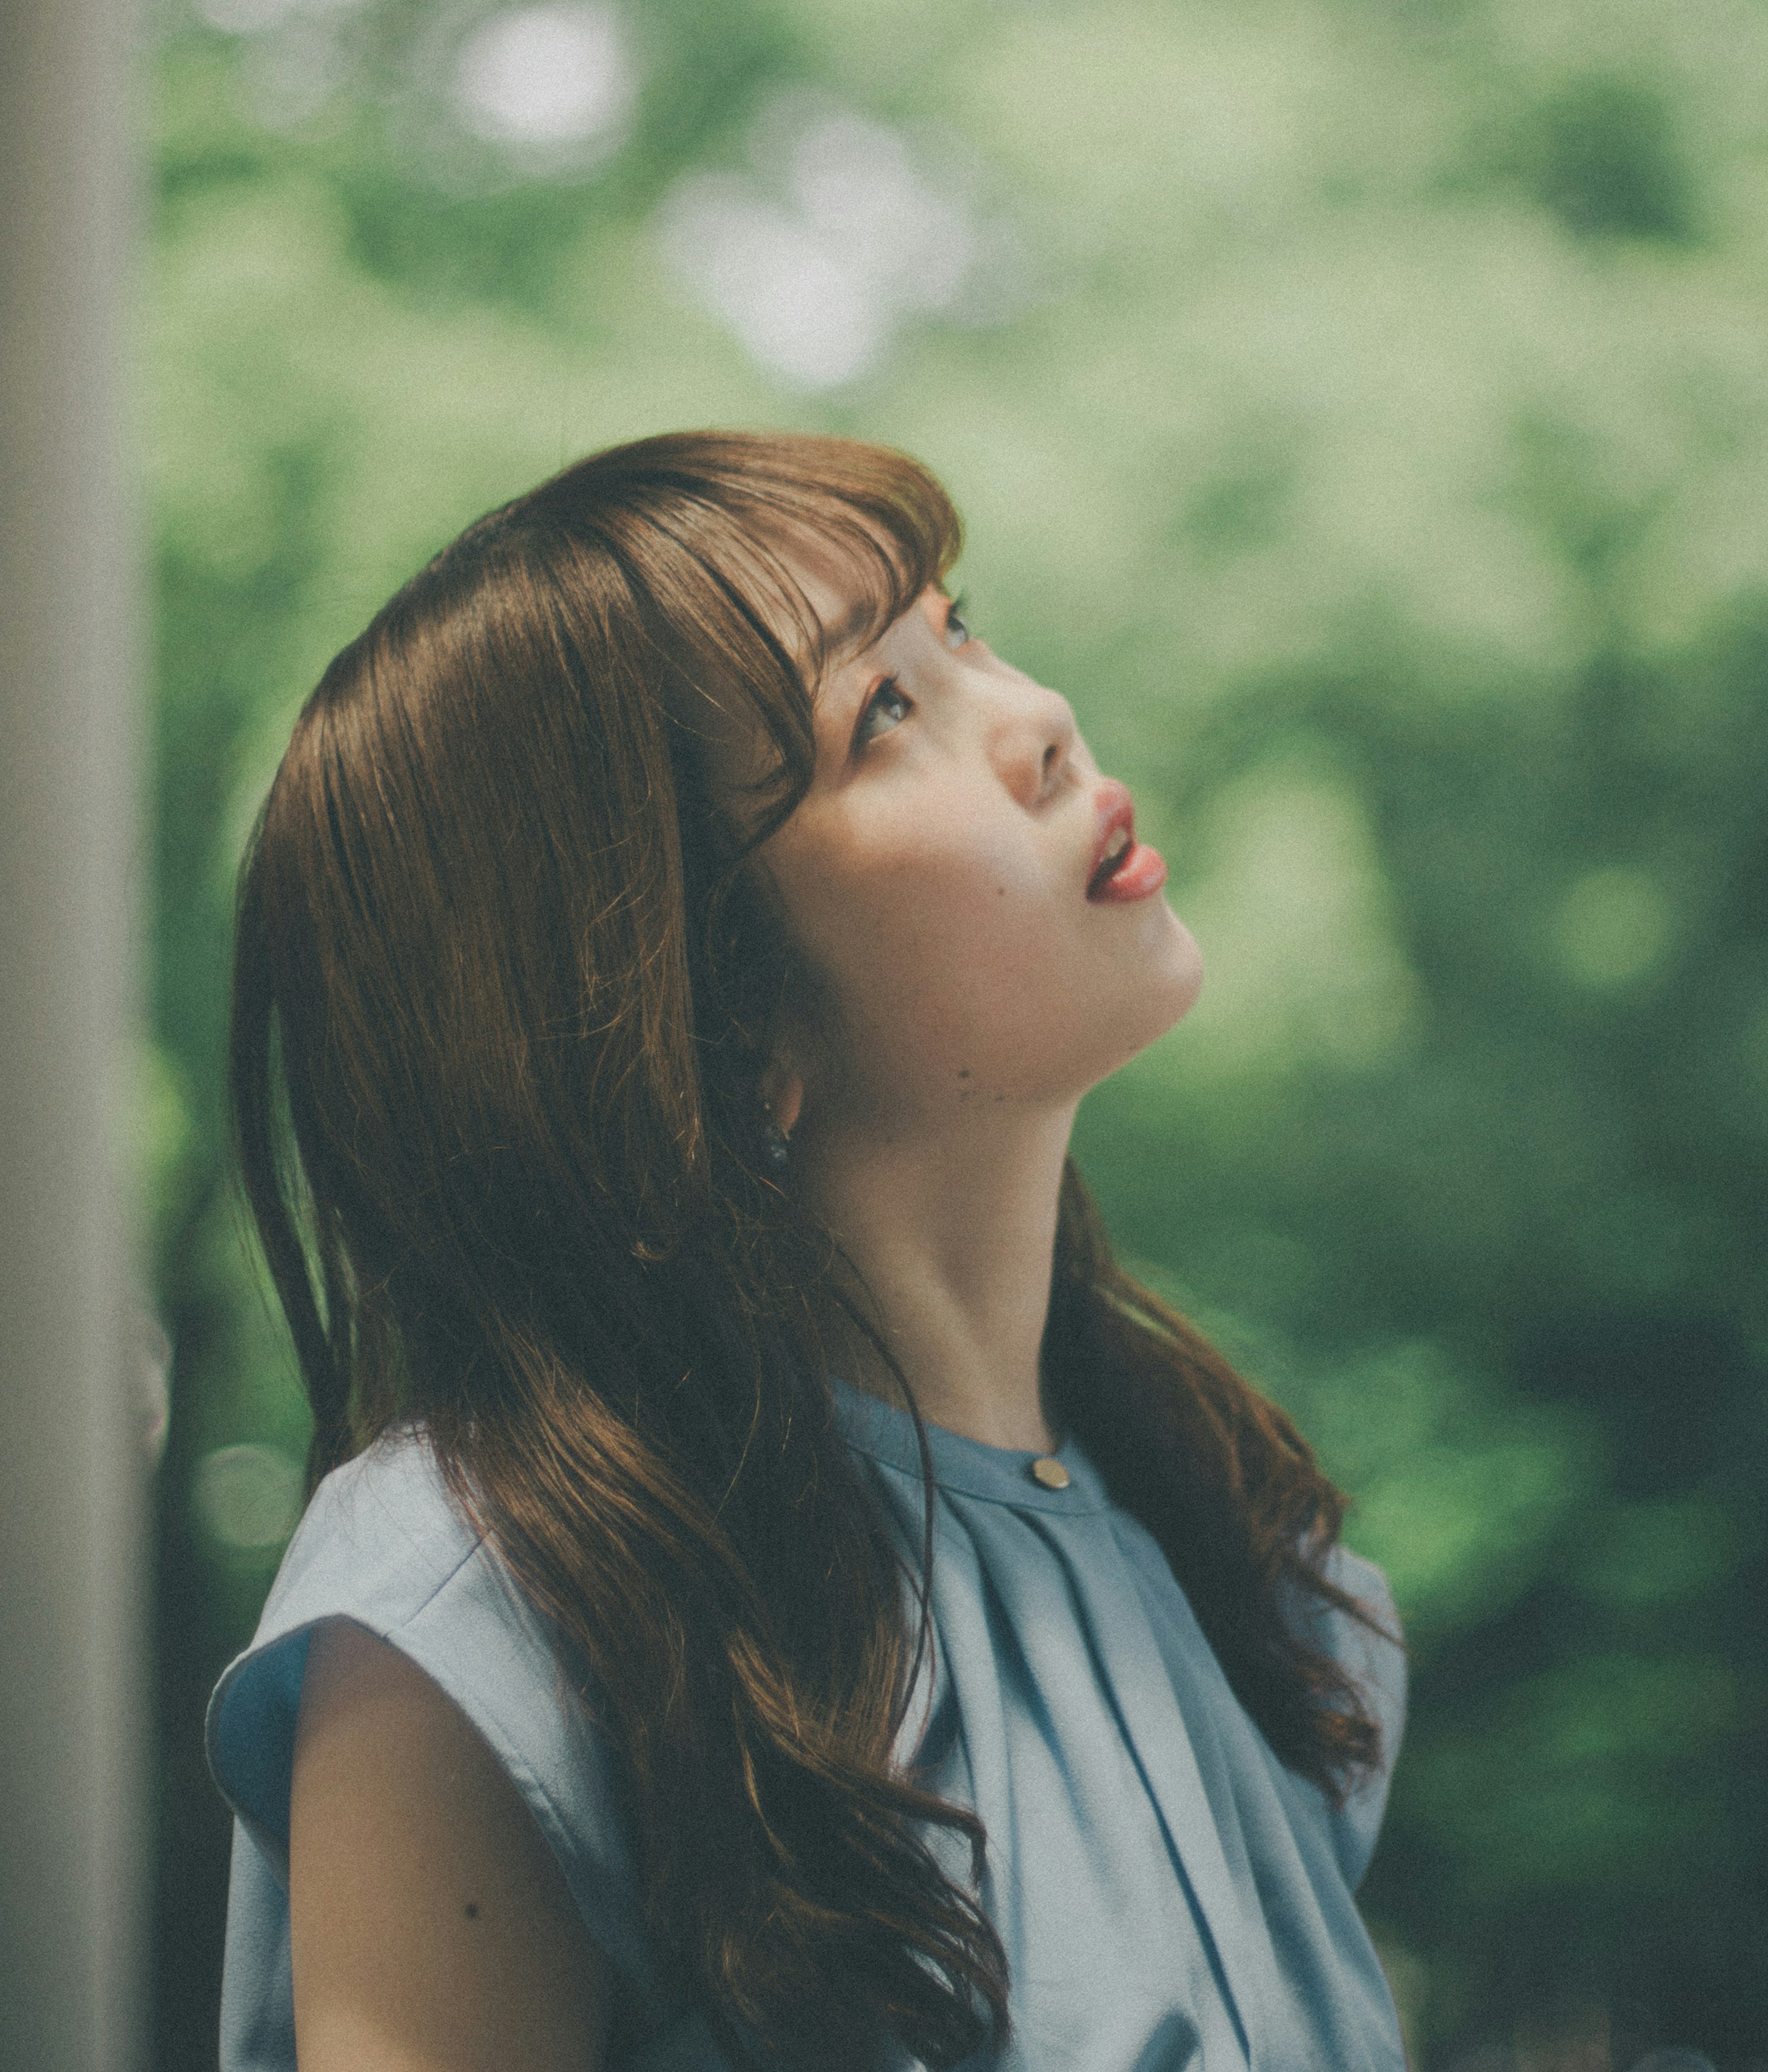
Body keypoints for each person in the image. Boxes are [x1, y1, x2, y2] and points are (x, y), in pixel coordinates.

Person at [207, 428, 1407, 2072]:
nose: (1040, 721)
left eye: (959, 629)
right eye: (883, 716)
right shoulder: (489, 1611)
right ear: (707, 1026)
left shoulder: (1246, 1568)